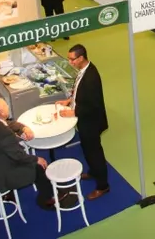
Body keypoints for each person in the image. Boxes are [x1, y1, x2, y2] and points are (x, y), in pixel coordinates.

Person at [0, 99, 60, 209]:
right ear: (1, 113)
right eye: (6, 106)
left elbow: (8, 123)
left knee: (33, 161)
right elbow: (18, 156)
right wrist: (36, 159)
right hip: (0, 175)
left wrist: (22, 128)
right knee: (39, 166)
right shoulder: (3, 134)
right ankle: (47, 199)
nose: (8, 106)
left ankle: (44, 194)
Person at [57, 45, 110, 199]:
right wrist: (69, 100)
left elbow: (93, 105)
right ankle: (93, 172)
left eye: (72, 59)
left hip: (91, 123)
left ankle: (103, 186)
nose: (70, 62)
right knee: (87, 150)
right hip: (86, 121)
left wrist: (73, 112)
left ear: (81, 58)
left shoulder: (91, 77)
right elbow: (79, 91)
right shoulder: (84, 71)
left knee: (95, 154)